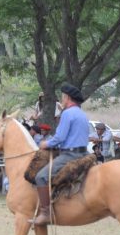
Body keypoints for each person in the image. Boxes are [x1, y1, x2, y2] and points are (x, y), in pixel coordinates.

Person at [34, 82, 90, 225]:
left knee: (41, 177)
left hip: (70, 155)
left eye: (63, 97)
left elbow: (60, 137)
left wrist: (45, 144)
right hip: (84, 153)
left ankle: (46, 213)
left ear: (68, 98)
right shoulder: (82, 114)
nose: (62, 100)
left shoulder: (67, 113)